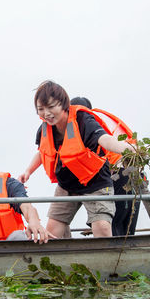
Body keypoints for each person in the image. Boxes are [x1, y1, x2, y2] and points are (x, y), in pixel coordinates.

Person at [18, 81, 135, 238]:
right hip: (67, 184)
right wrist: (28, 171)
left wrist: (129, 150)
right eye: (41, 109)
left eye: (51, 107)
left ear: (64, 104)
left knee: (102, 227)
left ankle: (106, 261)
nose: (46, 113)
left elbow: (104, 140)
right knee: (52, 230)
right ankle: (62, 261)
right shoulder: (45, 128)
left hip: (95, 182)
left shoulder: (83, 120)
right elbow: (42, 152)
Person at [70, 96, 143, 237]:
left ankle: (115, 258)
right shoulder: (107, 120)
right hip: (137, 175)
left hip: (116, 173)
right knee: (127, 228)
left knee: (112, 224)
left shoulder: (82, 122)